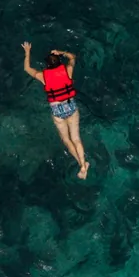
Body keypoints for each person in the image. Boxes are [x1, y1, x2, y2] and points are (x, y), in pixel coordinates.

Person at [23, 42, 88, 179]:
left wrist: (27, 51)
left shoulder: (43, 76)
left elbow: (27, 68)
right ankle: (83, 164)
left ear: (47, 65)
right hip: (70, 106)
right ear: (59, 62)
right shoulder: (67, 70)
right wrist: (61, 52)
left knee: (66, 139)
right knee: (76, 138)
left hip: (57, 110)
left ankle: (82, 164)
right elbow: (73, 57)